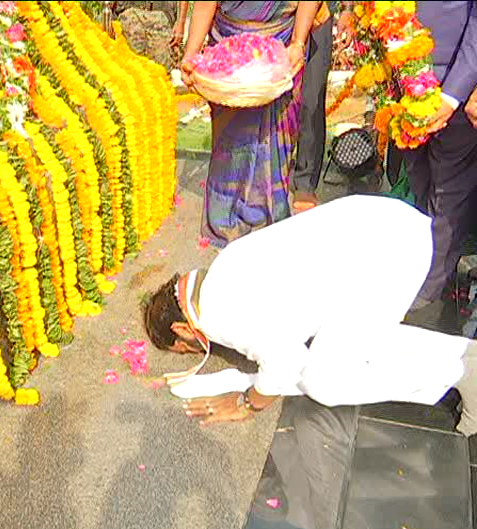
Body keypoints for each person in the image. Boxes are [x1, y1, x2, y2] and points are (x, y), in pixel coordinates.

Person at [142, 195, 477, 435]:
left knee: (323, 381)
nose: (198, 350)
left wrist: (248, 403)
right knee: (356, 340)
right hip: (390, 223)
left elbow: (287, 362)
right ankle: (466, 354)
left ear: (181, 328)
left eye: (185, 348)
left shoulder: (213, 314)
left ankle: (457, 372)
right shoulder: (222, 264)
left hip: (387, 258)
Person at [181, 2, 321, 247]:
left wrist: (298, 42)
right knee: (232, 144)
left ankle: (269, 218)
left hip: (284, 48)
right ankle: (226, 219)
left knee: (274, 140)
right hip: (229, 51)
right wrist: (191, 55)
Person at [402, 2, 477, 319]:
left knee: (448, 194)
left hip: (454, 88)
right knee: (418, 182)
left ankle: (429, 289)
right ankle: (420, 266)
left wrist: (454, 94)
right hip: (404, 84)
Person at [291, 1, 340, 213]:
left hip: (319, 15)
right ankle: (273, 169)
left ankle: (305, 179)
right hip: (277, 15)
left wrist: (344, 8)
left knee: (311, 99)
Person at [113, 1, 188, 70]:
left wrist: (180, 23)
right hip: (130, 17)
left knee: (165, 68)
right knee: (129, 66)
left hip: (161, 18)